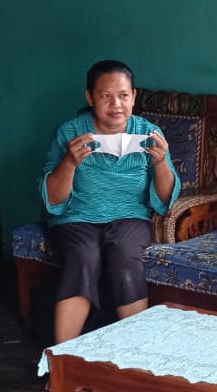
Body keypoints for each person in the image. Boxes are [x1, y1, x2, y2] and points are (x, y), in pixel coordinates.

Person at [41, 59, 181, 343]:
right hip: (76, 218)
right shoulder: (70, 132)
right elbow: (53, 199)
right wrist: (69, 162)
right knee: (84, 256)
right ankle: (61, 357)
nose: (116, 104)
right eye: (105, 96)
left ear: (134, 97)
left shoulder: (148, 133)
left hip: (129, 217)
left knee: (125, 255)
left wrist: (160, 162)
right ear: (90, 97)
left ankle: (136, 352)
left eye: (123, 95)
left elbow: (166, 200)